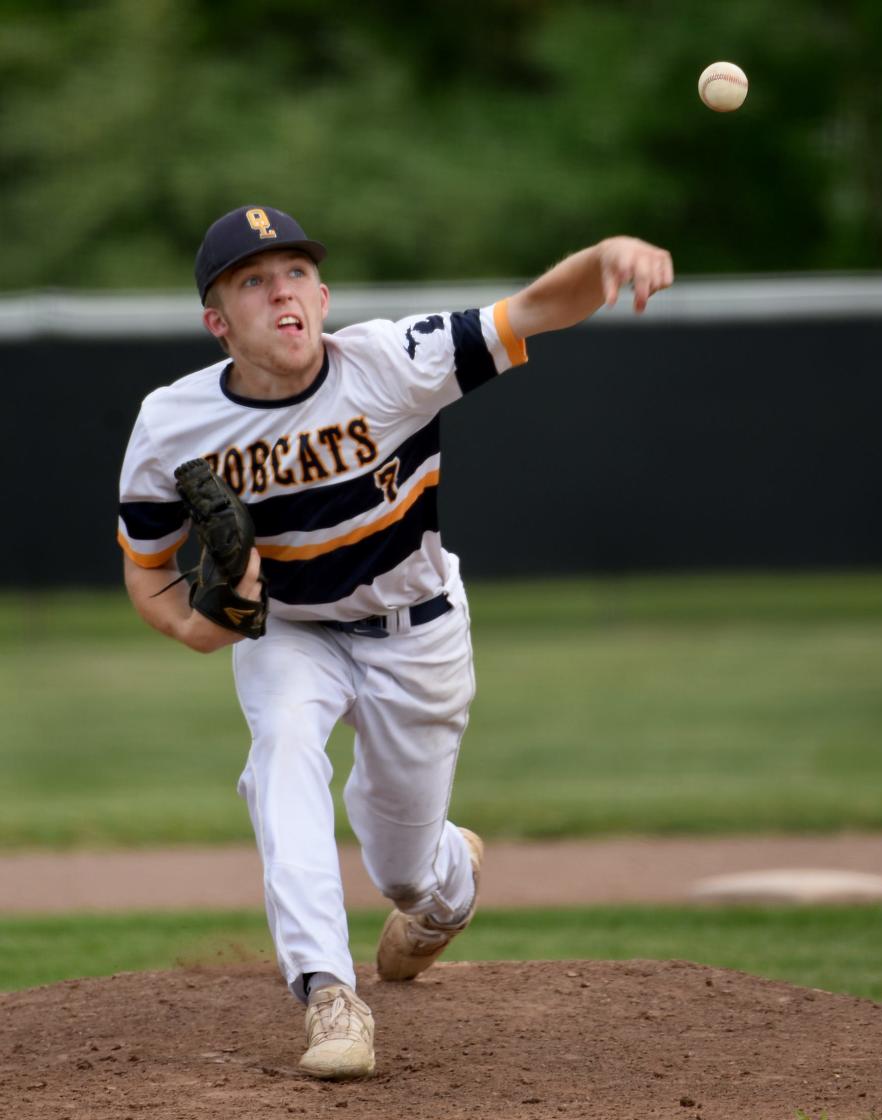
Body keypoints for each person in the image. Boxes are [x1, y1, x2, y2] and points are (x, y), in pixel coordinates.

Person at [117, 205, 673, 1080]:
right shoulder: (172, 422)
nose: (281, 292)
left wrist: (605, 257)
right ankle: (328, 992)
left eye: (295, 273)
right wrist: (196, 629)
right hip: (291, 630)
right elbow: (146, 568)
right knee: (283, 753)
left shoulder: (391, 362)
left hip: (416, 634)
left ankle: (444, 889)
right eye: (253, 282)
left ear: (324, 294)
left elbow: (529, 309)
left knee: (404, 866)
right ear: (216, 322)